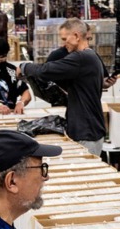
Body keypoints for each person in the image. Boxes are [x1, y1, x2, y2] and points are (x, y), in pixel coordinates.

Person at [21, 19, 108, 156]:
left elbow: (45, 70)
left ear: (76, 36)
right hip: (88, 128)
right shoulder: (91, 56)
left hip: (87, 131)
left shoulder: (81, 58)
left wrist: (24, 67)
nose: (63, 43)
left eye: (64, 38)